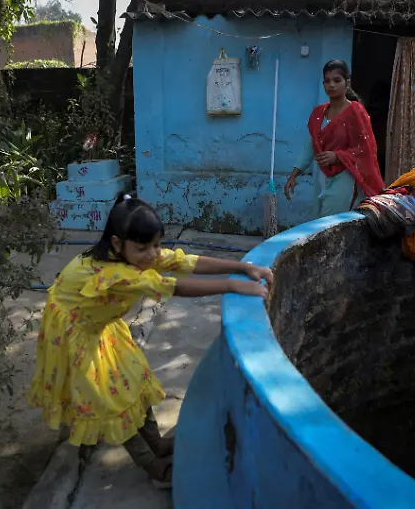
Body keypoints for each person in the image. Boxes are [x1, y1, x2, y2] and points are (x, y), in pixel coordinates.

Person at [27, 193, 273, 489]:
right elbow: (173, 286)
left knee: (135, 381)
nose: (153, 254)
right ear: (117, 244)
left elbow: (185, 262)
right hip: (76, 334)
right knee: (110, 401)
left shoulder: (134, 255)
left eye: (156, 245)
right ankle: (151, 464)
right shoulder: (117, 274)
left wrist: (242, 268)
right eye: (143, 248)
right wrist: (232, 286)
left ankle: (156, 444)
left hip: (100, 325)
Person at [284, 59, 385, 218]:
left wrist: (337, 156)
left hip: (347, 175)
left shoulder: (355, 111)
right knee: (319, 220)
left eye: (337, 80)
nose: (331, 85)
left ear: (347, 83)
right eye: (327, 81)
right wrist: (294, 175)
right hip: (323, 175)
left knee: (330, 222)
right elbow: (310, 145)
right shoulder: (318, 113)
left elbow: (365, 148)